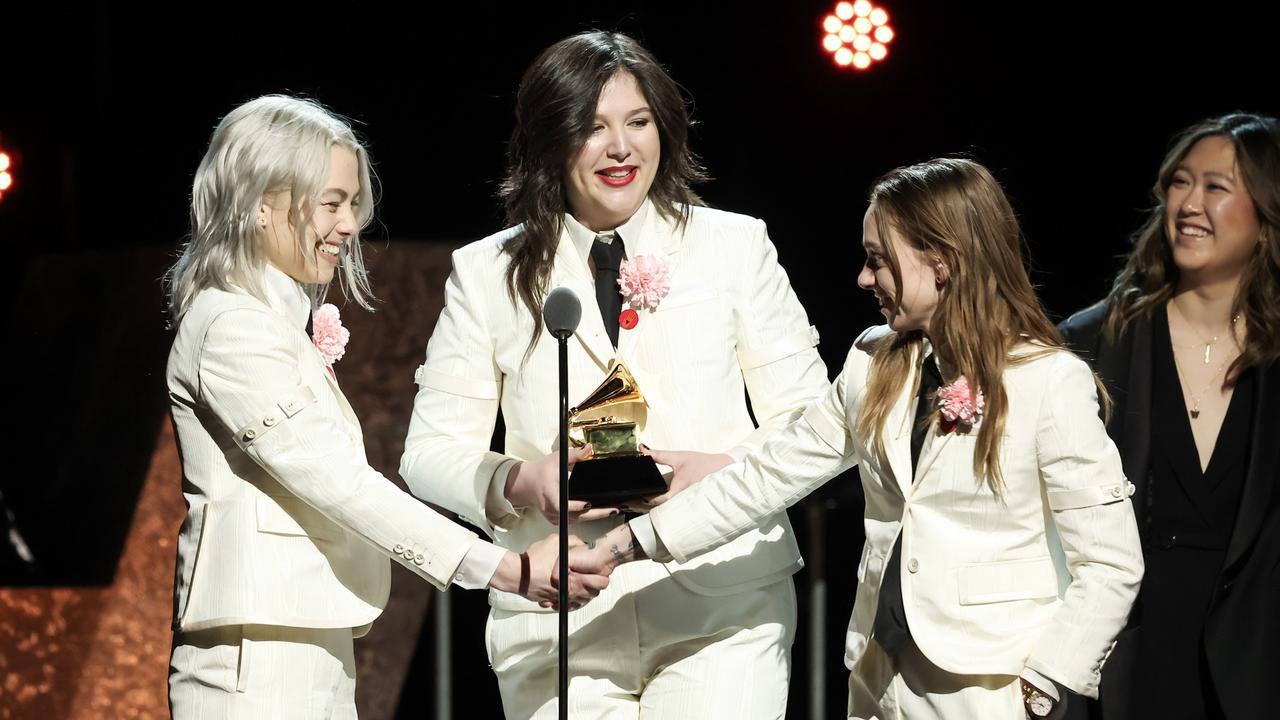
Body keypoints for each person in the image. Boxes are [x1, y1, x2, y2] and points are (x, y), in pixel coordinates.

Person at [575, 158, 1145, 719]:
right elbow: (766, 477)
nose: (864, 278)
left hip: (987, 685)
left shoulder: (1048, 380)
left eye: (878, 261)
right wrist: (624, 548)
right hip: (879, 676)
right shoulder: (874, 363)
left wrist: (1043, 687)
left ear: (941, 261)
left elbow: (1112, 563)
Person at [399, 31, 829, 718]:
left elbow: (813, 426)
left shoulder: (734, 247)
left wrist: (714, 469)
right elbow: (426, 455)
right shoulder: (487, 273)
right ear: (549, 139)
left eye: (638, 123)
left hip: (722, 599)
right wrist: (520, 479)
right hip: (560, 609)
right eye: (592, 128)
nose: (622, 148)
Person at [163, 95, 607, 718]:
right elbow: (337, 483)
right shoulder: (232, 326)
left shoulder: (267, 321)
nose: (349, 226)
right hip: (256, 655)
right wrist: (503, 568)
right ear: (262, 205)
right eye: (332, 204)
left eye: (353, 205)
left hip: (299, 637)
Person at [1058, 113, 1280, 720]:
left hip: (1258, 666)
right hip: (1129, 661)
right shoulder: (1095, 341)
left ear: (1266, 214)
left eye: (1216, 186)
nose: (1189, 202)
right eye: (1180, 182)